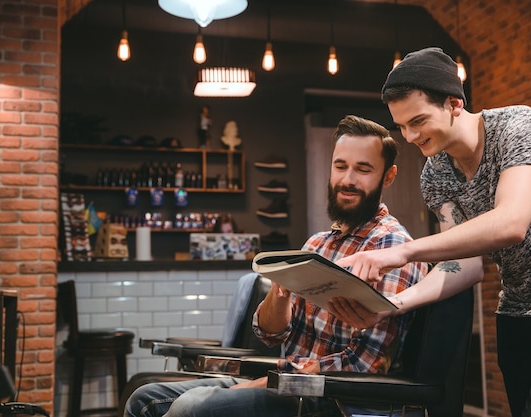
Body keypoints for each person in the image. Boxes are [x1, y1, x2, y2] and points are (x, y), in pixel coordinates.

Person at [330, 47, 531, 417]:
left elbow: (511, 223)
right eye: (401, 126)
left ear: (454, 104)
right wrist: (389, 307)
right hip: (518, 311)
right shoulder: (437, 174)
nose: (410, 136)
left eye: (419, 121)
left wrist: (399, 253)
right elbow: (463, 266)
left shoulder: (520, 128)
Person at [123, 115, 428, 417]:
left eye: (363, 169)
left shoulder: (392, 248)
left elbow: (366, 364)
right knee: (144, 399)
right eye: (340, 166)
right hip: (284, 383)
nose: (348, 179)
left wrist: (264, 385)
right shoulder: (317, 245)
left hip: (329, 399)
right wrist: (279, 296)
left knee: (190, 408)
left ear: (388, 176)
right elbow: (270, 335)